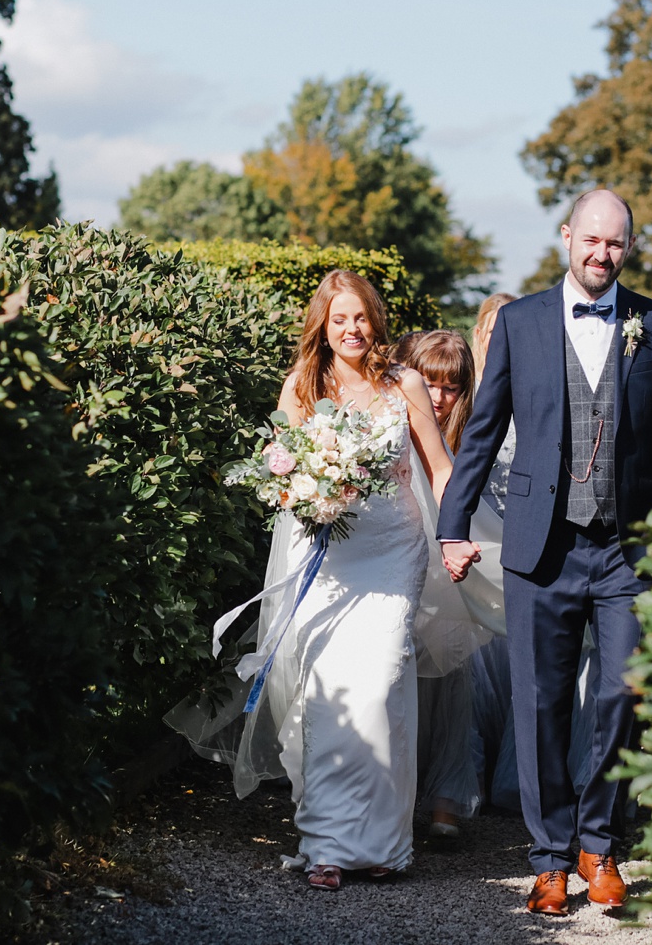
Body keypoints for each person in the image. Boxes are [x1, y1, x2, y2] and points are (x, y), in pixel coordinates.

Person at [438, 190, 652, 915]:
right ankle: (549, 858)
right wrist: (454, 525)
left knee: (620, 693)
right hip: (540, 544)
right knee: (543, 702)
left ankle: (598, 844)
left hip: (626, 548)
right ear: (566, 237)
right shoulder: (519, 322)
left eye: (615, 243)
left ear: (629, 248)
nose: (601, 254)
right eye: (591, 240)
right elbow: (483, 431)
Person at [177, 270, 456, 893]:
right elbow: (280, 475)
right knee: (328, 693)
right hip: (326, 558)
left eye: (361, 318)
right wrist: (309, 488)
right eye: (339, 320)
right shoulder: (301, 388)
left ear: (374, 322)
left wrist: (454, 535)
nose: (352, 329)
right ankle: (328, 844)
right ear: (323, 328)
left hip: (392, 552)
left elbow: (439, 469)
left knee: (382, 682)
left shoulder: (402, 384)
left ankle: (384, 842)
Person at [391, 330, 481, 837]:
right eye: (432, 384)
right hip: (398, 557)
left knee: (453, 677)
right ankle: (400, 794)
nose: (441, 398)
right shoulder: (388, 425)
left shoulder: (469, 436)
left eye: (453, 387)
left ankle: (448, 794)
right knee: (402, 678)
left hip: (448, 567)